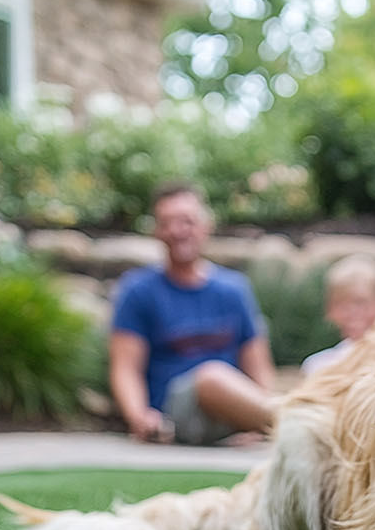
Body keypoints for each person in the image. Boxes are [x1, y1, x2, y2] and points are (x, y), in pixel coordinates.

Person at [110, 182, 277, 445]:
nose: (177, 231)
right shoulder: (138, 291)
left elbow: (258, 366)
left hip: (229, 413)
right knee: (211, 375)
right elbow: (125, 368)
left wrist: (251, 417)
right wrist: (139, 417)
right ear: (156, 231)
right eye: (167, 222)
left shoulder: (234, 290)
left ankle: (281, 425)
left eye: (186, 221)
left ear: (205, 226)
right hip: (175, 415)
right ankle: (297, 428)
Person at [301, 253, 375, 377]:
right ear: (329, 309)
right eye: (341, 304)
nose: (352, 312)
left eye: (361, 302)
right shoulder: (318, 365)